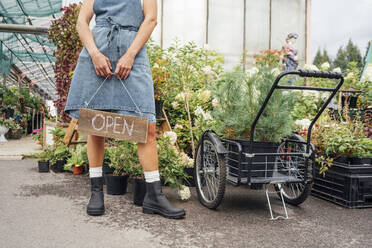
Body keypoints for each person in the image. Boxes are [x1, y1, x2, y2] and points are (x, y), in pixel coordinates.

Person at [64, 0, 185, 219]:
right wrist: (94, 54)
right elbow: (82, 21)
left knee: (146, 126)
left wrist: (130, 55)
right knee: (95, 123)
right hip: (97, 50)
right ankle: (96, 192)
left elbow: (151, 19)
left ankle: (154, 196)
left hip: (134, 52)